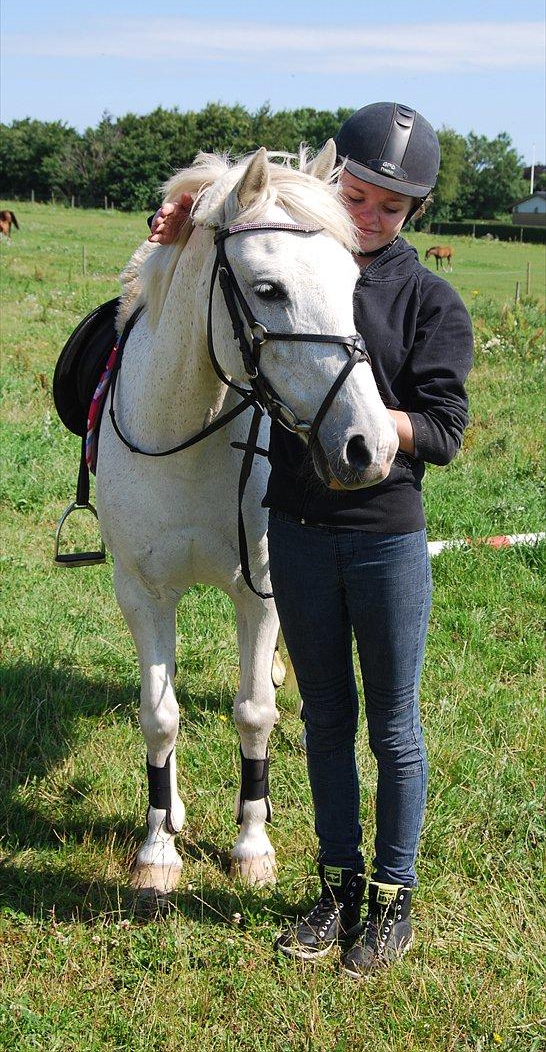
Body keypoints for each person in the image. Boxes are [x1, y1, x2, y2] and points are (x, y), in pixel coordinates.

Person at [148, 102, 473, 977]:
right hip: (294, 531)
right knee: (324, 720)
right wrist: (179, 222)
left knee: (393, 728)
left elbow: (445, 430)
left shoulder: (430, 300)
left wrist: (369, 424)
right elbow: (234, 253)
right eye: (355, 197)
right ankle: (337, 886)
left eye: (391, 208)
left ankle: (394, 898)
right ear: (332, 185)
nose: (368, 217)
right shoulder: (305, 259)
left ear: (414, 213)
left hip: (383, 538)